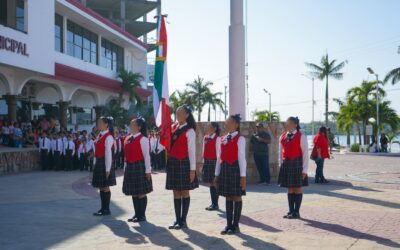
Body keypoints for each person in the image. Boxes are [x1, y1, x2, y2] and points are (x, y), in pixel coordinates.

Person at [166, 105, 198, 230]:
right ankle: (177, 219)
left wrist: (192, 170)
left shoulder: (189, 131)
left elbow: (192, 151)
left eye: (180, 113)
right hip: (173, 163)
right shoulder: (173, 128)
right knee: (175, 191)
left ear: (187, 115)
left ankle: (183, 220)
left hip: (183, 163)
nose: (177, 115)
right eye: (176, 113)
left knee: (184, 191)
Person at [215, 114, 247, 235]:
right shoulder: (222, 138)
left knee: (236, 196)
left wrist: (243, 177)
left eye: (228, 122)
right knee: (228, 196)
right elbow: (219, 157)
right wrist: (216, 173)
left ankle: (236, 225)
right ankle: (228, 225)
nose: (226, 124)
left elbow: (242, 158)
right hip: (224, 169)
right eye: (226, 122)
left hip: (235, 170)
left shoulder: (240, 139)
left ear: (236, 124)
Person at [278, 117, 309, 219]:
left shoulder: (301, 136)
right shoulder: (282, 136)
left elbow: (305, 154)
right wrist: (280, 165)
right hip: (286, 164)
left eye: (290, 123)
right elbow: (280, 153)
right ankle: (291, 211)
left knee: (297, 188)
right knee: (290, 188)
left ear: (295, 125)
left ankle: (297, 212)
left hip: (297, 164)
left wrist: (304, 170)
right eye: (287, 123)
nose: (288, 125)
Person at [123, 118, 153, 223]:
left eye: (133, 125)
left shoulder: (143, 139)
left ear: (139, 127)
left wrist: (148, 170)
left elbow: (147, 156)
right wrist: (124, 167)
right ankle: (136, 214)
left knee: (141, 192)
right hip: (130, 167)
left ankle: (142, 215)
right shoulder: (127, 138)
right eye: (130, 125)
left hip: (140, 166)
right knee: (134, 192)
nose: (130, 127)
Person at [92, 117, 116, 216]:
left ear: (106, 124)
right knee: (102, 187)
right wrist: (94, 162)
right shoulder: (100, 135)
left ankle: (106, 209)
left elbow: (108, 153)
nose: (98, 124)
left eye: (100, 122)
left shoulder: (108, 137)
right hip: (99, 162)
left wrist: (107, 168)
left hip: (104, 163)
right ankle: (103, 208)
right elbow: (96, 151)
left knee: (105, 187)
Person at [202, 122, 221, 211]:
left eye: (209, 127)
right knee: (210, 182)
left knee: (214, 182)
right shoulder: (205, 138)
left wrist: (218, 167)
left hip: (214, 162)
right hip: (207, 162)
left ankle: (215, 204)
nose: (207, 128)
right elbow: (203, 151)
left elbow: (219, 154)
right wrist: (203, 162)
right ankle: (213, 203)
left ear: (214, 129)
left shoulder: (217, 139)